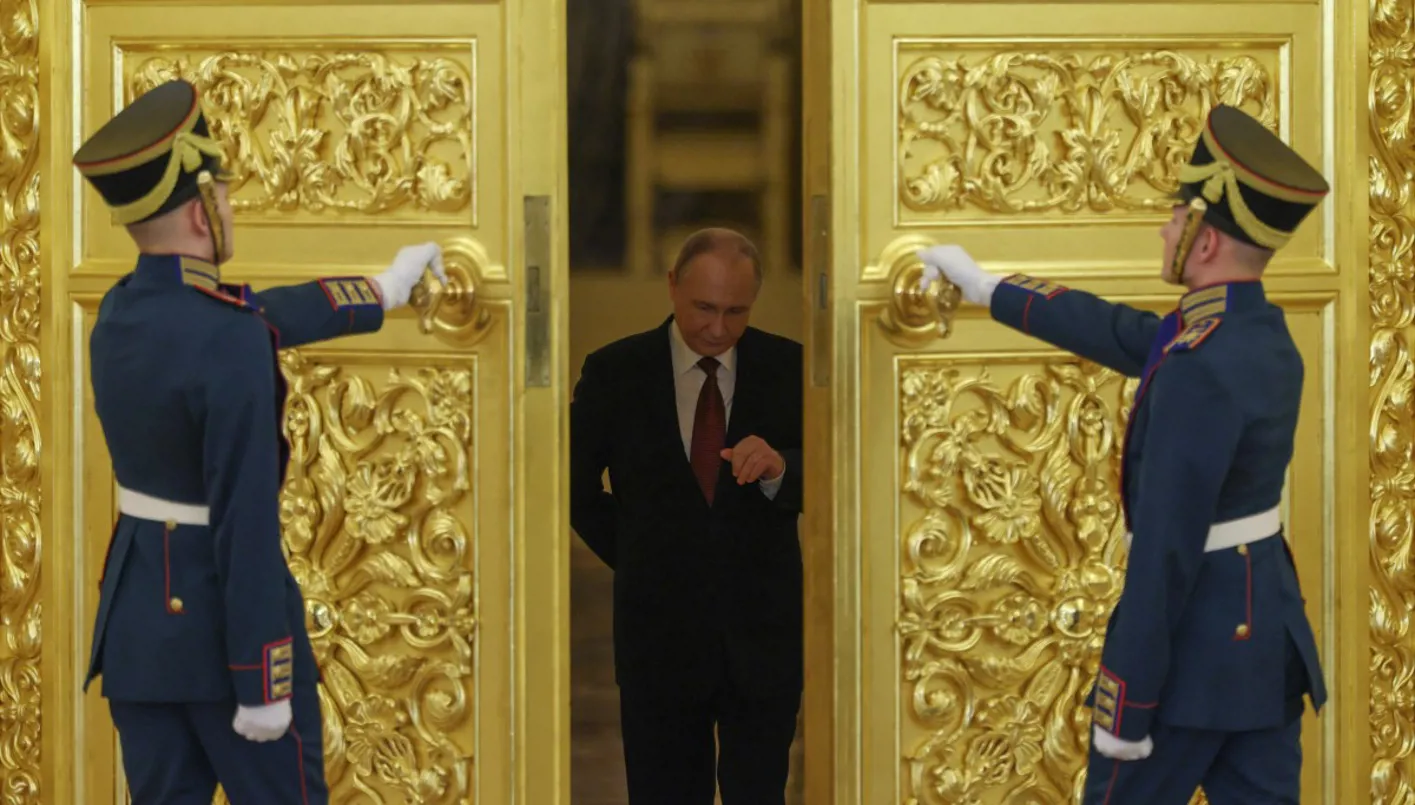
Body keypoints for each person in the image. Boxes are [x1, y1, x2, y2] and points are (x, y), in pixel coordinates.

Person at [917, 104, 1328, 804]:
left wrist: (1127, 701)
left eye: (1175, 218)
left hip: (1189, 661)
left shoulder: (1200, 366)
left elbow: (1166, 547)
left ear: (1203, 239)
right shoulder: (1258, 334)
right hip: (1261, 642)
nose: (1164, 230)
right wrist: (988, 288)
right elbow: (1125, 333)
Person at [73, 78, 445, 804]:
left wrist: (382, 288)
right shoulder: (228, 339)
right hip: (228, 644)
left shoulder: (118, 315)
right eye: (224, 193)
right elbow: (243, 523)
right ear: (200, 210)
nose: (231, 206)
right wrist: (261, 682)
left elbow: (252, 315)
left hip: (141, 634)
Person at [570, 228, 804, 804]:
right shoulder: (615, 371)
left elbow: (838, 474)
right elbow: (571, 485)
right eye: (704, 308)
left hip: (763, 639)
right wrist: (640, 554)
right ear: (673, 285)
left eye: (736, 312)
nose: (718, 328)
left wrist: (780, 469)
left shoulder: (791, 368)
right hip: (658, 641)